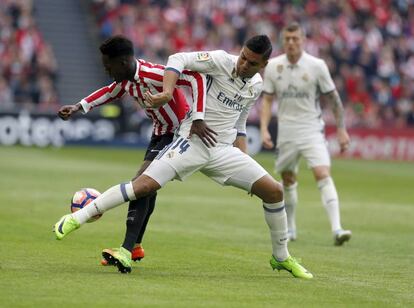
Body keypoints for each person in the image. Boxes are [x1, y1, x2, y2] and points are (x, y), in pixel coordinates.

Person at [54, 35, 313, 279]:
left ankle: (281, 257)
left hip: (223, 150)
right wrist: (168, 94)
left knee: (275, 192)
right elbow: (178, 59)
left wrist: (244, 157)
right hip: (192, 141)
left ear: (264, 65)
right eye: (243, 57)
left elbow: (241, 121)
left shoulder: (256, 85)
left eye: (252, 62)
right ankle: (77, 219)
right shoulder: (221, 60)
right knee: (143, 185)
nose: (243, 64)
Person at [57, 35, 207, 266]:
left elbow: (194, 77)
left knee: (140, 184)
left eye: (109, 67)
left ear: (124, 63)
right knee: (148, 189)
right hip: (159, 133)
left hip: (178, 133)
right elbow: (109, 91)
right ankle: (134, 247)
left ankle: (126, 250)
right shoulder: (125, 80)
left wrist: (198, 116)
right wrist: (79, 106)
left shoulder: (154, 74)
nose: (108, 71)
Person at [260, 22, 352, 245]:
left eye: (296, 39)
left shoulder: (317, 65)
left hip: (311, 128)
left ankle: (337, 228)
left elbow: (333, 99)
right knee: (288, 179)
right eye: (288, 39)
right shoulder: (273, 66)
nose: (291, 43)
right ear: (283, 41)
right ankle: (290, 228)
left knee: (322, 173)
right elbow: (268, 99)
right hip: (287, 131)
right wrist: (263, 128)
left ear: (303, 40)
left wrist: (341, 129)